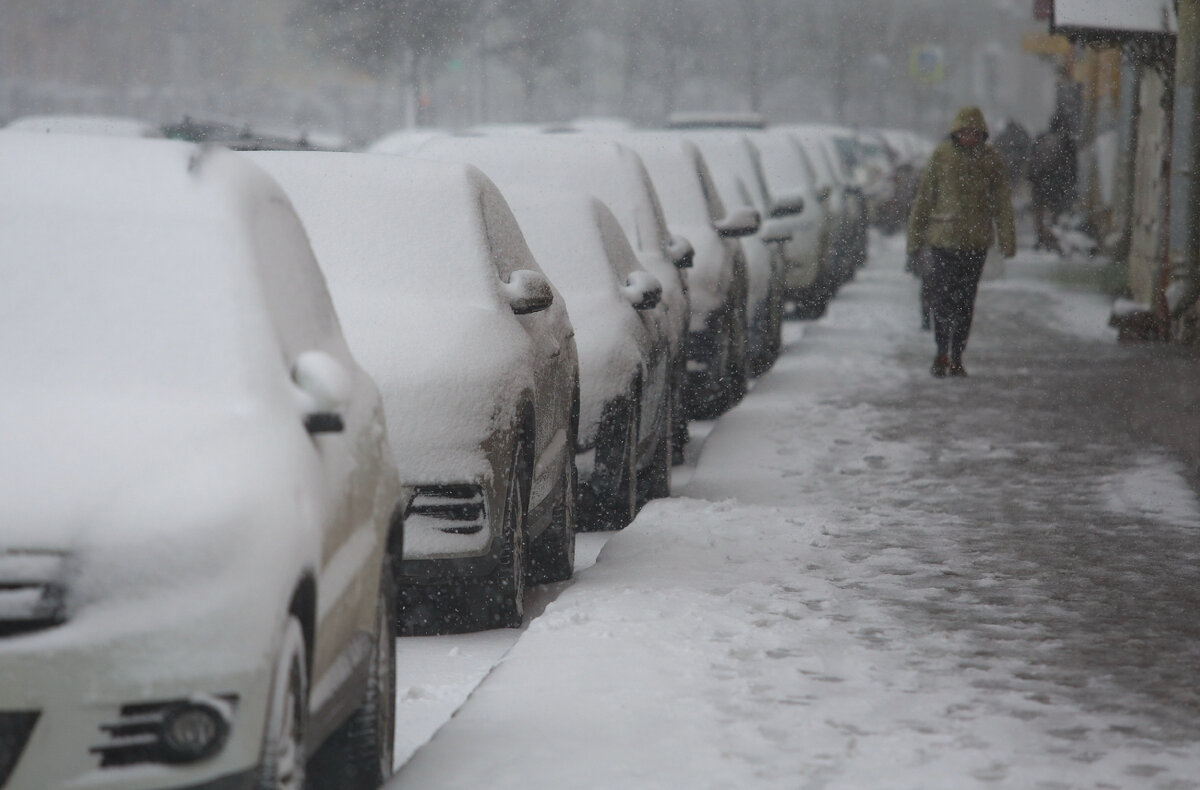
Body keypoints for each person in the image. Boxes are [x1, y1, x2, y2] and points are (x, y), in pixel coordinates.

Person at [907, 106, 1016, 378]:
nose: (969, 137)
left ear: (982, 133)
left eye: (974, 132)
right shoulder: (941, 156)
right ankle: (941, 350)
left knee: (965, 301)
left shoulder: (991, 160)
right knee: (942, 299)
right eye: (964, 132)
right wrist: (915, 239)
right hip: (943, 241)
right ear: (955, 132)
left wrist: (1007, 237)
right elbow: (924, 199)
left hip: (975, 243)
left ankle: (957, 355)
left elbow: (1001, 201)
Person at [1028, 113, 1077, 252]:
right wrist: (1069, 183)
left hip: (1039, 182)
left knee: (1039, 213)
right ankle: (1051, 238)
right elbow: (1072, 166)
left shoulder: (1041, 138)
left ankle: (1039, 238)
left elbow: (1032, 161)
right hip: (1056, 183)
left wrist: (1032, 178)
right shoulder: (1067, 141)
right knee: (1053, 213)